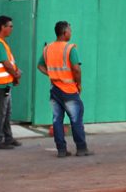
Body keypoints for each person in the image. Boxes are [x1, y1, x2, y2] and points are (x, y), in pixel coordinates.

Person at [37, 21, 91, 157]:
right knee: (76, 119)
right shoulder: (69, 48)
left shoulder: (48, 48)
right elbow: (76, 69)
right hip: (69, 90)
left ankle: (61, 150)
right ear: (65, 32)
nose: (71, 33)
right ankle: (81, 148)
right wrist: (79, 84)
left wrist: (53, 74)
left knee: (57, 120)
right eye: (70, 30)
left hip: (54, 89)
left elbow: (40, 66)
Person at [0, 15, 22, 150]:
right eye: (10, 26)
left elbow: (9, 64)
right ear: (3, 27)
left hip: (5, 83)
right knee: (1, 112)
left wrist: (14, 77)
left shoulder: (1, 42)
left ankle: (8, 138)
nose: (12, 29)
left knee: (6, 112)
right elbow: (6, 64)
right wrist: (16, 76)